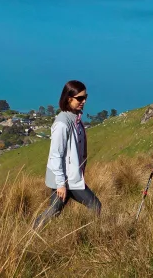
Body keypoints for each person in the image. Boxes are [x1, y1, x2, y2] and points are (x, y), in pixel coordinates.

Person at [33, 80, 101, 228]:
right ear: (69, 98)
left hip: (70, 176)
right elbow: (56, 154)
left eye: (85, 97)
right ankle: (92, 234)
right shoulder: (62, 123)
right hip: (65, 179)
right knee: (95, 206)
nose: (84, 101)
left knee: (54, 210)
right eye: (80, 98)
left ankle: (34, 232)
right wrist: (61, 184)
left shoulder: (74, 117)